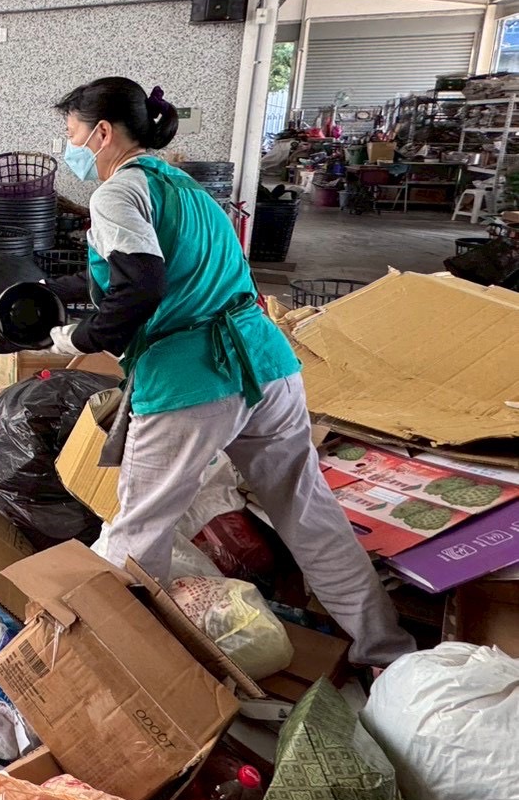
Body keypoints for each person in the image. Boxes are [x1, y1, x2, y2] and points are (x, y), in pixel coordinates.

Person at [41, 76, 413, 667]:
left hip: (193, 378)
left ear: (102, 133)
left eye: (72, 135)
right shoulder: (181, 186)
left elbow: (141, 284)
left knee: (139, 531)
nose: (72, 149)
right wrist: (55, 291)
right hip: (265, 364)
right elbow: (163, 271)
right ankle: (388, 652)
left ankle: (102, 667)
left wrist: (80, 337)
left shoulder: (116, 195)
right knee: (308, 512)